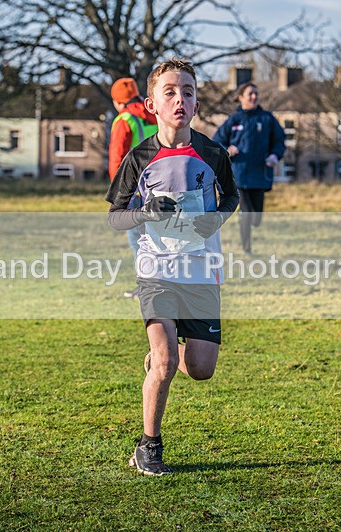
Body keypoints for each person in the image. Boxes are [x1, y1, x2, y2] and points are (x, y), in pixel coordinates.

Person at [106, 58, 239, 476]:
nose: (180, 99)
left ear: (197, 104)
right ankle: (149, 445)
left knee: (200, 369)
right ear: (152, 105)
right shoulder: (139, 157)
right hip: (156, 270)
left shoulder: (213, 153)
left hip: (201, 271)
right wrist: (144, 213)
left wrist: (215, 219)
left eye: (188, 92)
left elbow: (232, 198)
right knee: (165, 365)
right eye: (170, 92)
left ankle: (161, 355)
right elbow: (115, 217)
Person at [212, 82, 286, 254]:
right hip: (239, 175)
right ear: (240, 97)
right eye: (250, 93)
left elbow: (280, 141)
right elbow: (217, 141)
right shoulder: (234, 119)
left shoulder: (267, 118)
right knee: (246, 212)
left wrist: (275, 155)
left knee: (256, 218)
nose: (254, 97)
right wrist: (227, 150)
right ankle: (247, 248)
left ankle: (247, 223)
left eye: (256, 94)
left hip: (260, 175)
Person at [109, 78, 159, 298]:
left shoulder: (124, 120)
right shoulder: (156, 113)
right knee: (157, 237)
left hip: (134, 188)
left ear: (118, 102)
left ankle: (147, 286)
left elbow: (117, 158)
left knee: (137, 239)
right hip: (158, 185)